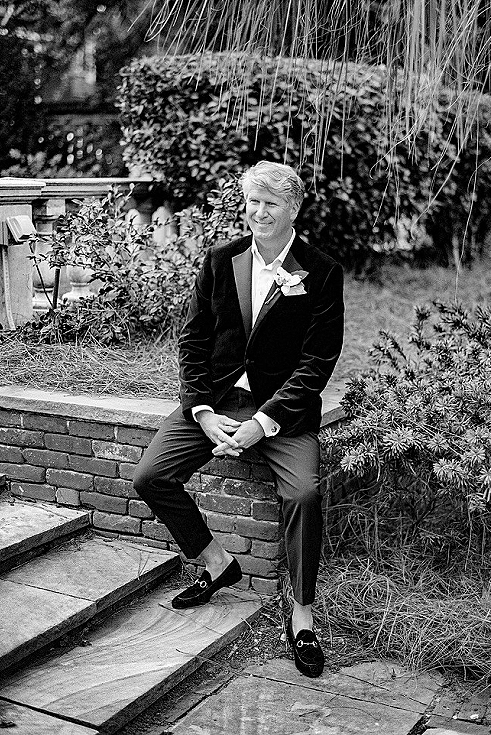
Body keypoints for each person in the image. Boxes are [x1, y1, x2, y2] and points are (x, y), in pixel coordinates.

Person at [133, 161, 344, 677]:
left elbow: (317, 362)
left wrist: (263, 423)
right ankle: (216, 563)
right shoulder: (220, 259)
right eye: (253, 201)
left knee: (303, 494)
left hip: (283, 413)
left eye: (272, 203)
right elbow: (193, 340)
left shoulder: (321, 271)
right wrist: (203, 411)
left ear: (294, 208)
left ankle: (302, 615)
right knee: (151, 476)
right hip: (217, 401)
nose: (259, 212)